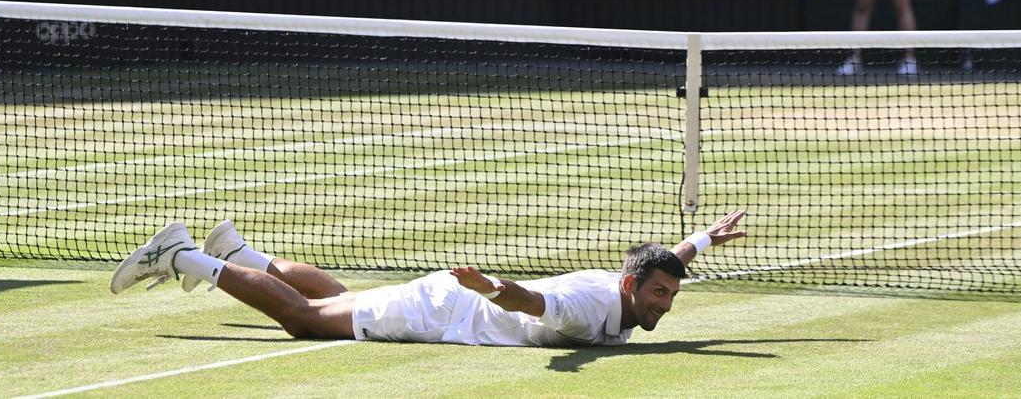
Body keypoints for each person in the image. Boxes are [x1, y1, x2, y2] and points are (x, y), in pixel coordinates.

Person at [110, 210, 747, 346]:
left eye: (671, 293)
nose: (667, 303)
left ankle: (238, 252)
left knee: (337, 296)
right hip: (445, 311)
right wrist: (496, 290)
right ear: (630, 288)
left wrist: (697, 243)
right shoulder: (586, 307)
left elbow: (662, 270)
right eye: (660, 293)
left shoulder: (634, 286)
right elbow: (537, 300)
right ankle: (185, 257)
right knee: (309, 322)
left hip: (449, 300)